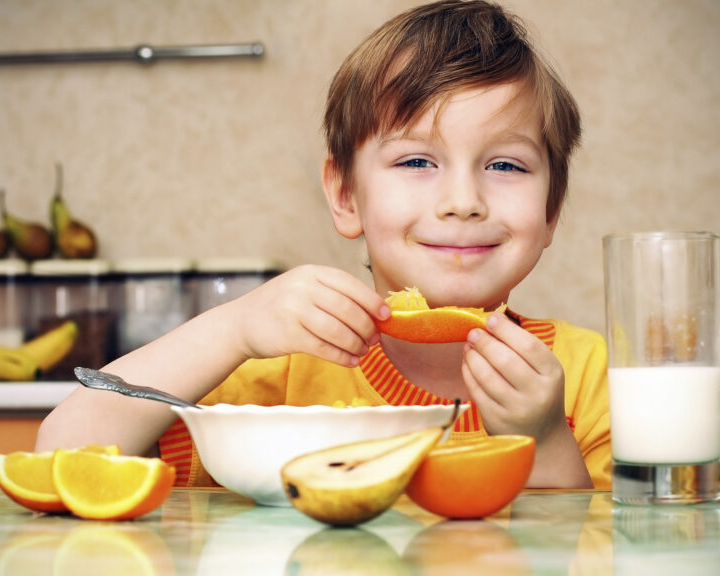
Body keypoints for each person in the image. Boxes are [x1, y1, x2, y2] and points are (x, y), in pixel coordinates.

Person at [37, 0, 610, 489]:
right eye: (416, 160)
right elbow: (64, 452)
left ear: (551, 210)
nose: (463, 200)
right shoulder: (281, 371)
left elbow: (617, 547)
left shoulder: (588, 373)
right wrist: (232, 329)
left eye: (506, 164)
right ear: (346, 196)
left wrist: (541, 437)